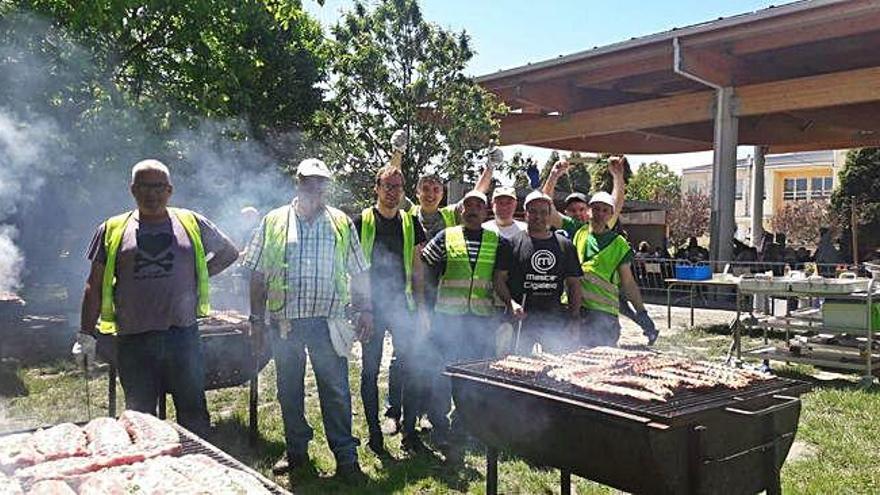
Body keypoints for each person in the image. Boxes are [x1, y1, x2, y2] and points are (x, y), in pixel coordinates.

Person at [78, 159, 239, 436]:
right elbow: (94, 283)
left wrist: (198, 278)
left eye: (158, 187)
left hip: (182, 335)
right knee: (140, 418)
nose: (151, 194)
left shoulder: (191, 222)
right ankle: (147, 470)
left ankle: (198, 469)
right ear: (133, 189)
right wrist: (85, 335)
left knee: (193, 411)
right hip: (133, 339)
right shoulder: (112, 229)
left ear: (169, 190)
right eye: (144, 187)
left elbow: (229, 252)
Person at [244, 158, 371, 483]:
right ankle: (297, 451)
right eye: (307, 181)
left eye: (320, 182)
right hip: (285, 324)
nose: (314, 187)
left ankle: (346, 459)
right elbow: (257, 273)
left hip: (328, 323)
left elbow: (359, 272)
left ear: (327, 186)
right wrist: (256, 320)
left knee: (337, 391)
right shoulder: (274, 220)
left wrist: (365, 309)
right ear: (297, 182)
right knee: (289, 390)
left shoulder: (341, 222)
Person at [420, 190, 516, 462]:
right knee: (442, 375)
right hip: (447, 319)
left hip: (480, 320)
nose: (473, 210)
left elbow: (499, 281)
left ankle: (464, 427)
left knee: (472, 377)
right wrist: (425, 312)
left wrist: (510, 305)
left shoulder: (497, 242)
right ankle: (439, 427)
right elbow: (426, 275)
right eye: (468, 205)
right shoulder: (445, 237)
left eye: (479, 206)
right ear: (460, 210)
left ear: (486, 212)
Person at [352, 165, 430, 455]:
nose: (392, 191)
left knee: (411, 368)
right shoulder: (361, 221)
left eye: (397, 186)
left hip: (404, 307)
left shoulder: (411, 222)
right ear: (376, 187)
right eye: (387, 186)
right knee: (370, 371)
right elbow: (355, 271)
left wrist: (421, 310)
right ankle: (375, 433)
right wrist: (363, 308)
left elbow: (417, 269)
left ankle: (409, 433)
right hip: (371, 308)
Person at [572, 192, 658, 347]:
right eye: (596, 209)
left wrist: (642, 312)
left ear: (612, 214)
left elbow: (628, 282)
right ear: (589, 210)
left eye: (605, 210)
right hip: (575, 309)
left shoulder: (619, 244)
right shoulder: (580, 233)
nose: (600, 213)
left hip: (603, 315)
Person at [507, 191, 583, 353]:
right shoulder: (512, 243)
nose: (538, 217)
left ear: (550, 215)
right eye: (533, 211)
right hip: (521, 321)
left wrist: (574, 318)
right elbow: (499, 279)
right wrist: (511, 303)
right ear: (525, 213)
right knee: (517, 366)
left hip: (554, 319)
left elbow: (574, 284)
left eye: (543, 212)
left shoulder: (565, 245)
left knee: (556, 366)